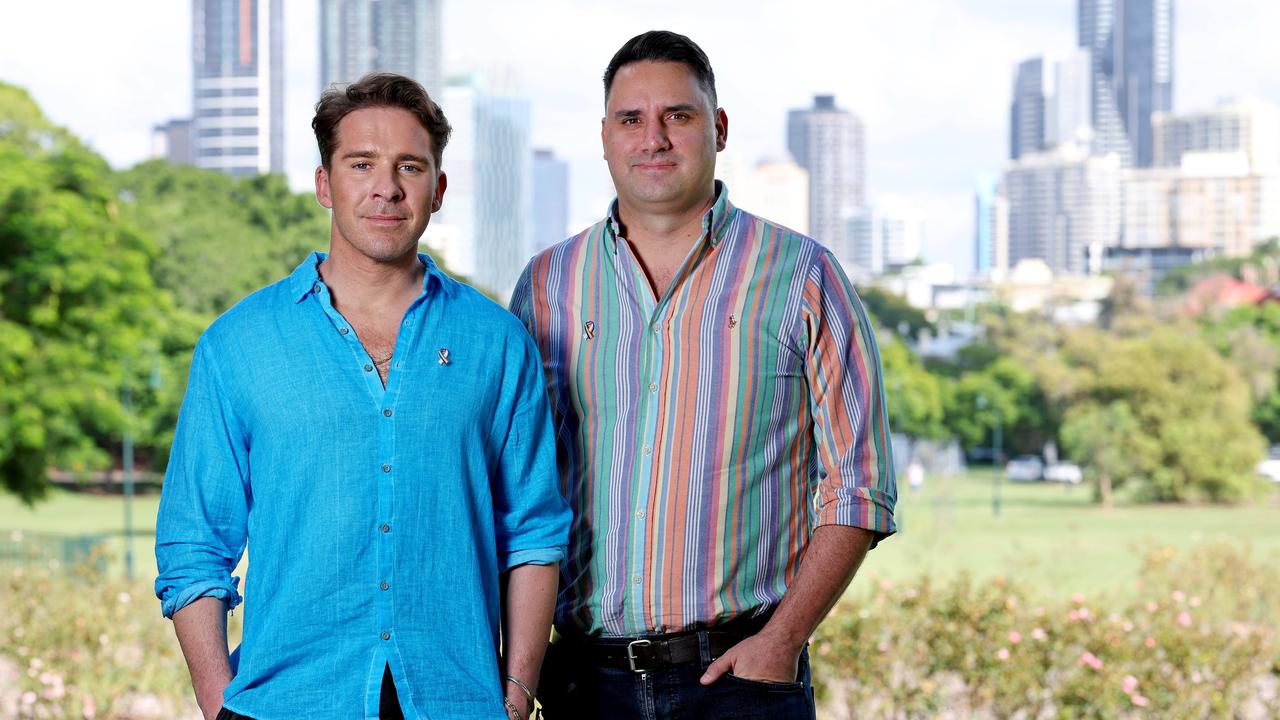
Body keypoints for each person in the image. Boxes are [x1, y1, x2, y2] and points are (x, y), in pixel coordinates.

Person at [155, 73, 570, 720]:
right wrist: (218, 703)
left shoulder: (497, 343)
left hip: (456, 703)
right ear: (326, 184)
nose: (387, 187)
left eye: (410, 166)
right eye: (361, 164)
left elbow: (534, 532)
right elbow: (193, 544)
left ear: (438, 189)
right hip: (284, 704)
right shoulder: (238, 344)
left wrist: (515, 692)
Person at [509, 30, 898, 720]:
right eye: (631, 119)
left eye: (677, 117)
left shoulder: (804, 276)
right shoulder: (546, 285)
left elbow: (860, 487)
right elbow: (515, 485)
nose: (652, 138)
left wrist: (781, 641)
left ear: (717, 128)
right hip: (583, 687)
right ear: (605, 137)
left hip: (740, 682)